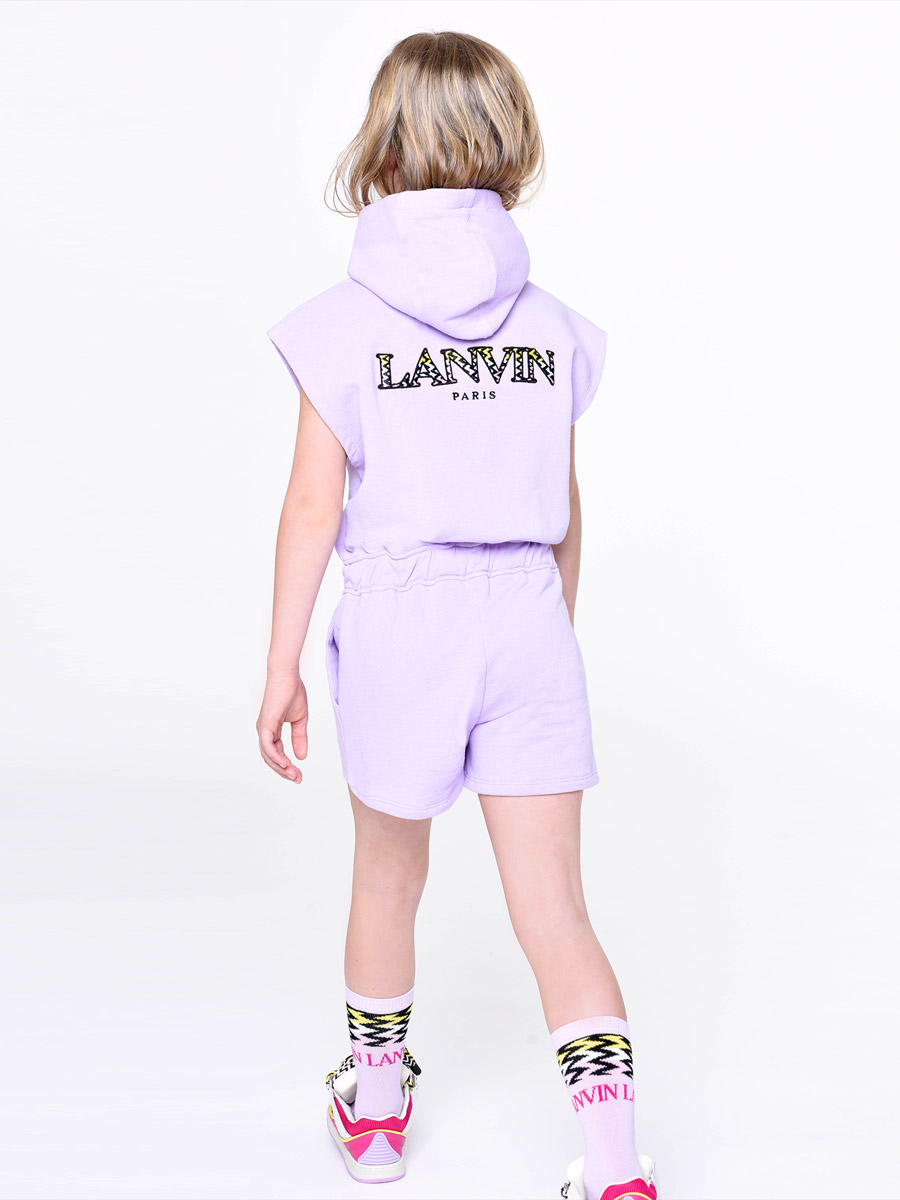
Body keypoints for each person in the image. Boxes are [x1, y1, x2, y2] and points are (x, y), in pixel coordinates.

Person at [256, 29, 657, 1200]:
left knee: (388, 876)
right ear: (508, 142)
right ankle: (616, 1167)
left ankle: (377, 1115)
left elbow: (311, 509)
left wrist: (282, 664)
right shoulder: (550, 327)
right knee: (557, 910)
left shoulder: (339, 326)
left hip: (402, 622)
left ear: (380, 145)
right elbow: (564, 509)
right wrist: (544, 632)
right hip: (527, 614)